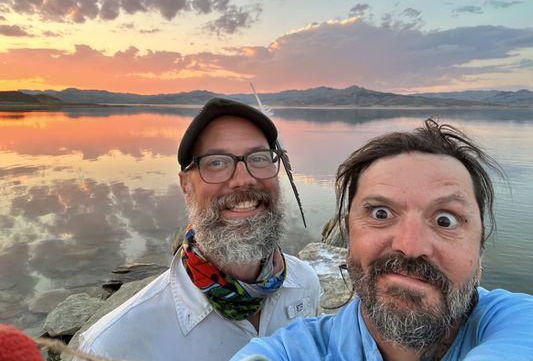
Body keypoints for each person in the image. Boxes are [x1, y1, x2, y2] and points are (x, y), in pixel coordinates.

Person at [232, 119, 533, 361]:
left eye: (446, 220)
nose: (411, 246)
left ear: (479, 255)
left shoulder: (516, 321)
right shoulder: (290, 351)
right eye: (380, 213)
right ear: (348, 238)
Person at [77, 98, 320, 360]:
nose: (244, 179)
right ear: (185, 186)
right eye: (216, 162)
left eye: (259, 158)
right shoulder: (115, 346)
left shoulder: (305, 284)